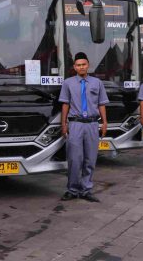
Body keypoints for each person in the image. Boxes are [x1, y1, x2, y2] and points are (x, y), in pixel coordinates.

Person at [59, 52, 109, 202]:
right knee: (74, 158)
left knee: (90, 158)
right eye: (78, 65)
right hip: (75, 124)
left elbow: (101, 104)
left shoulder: (97, 83)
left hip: (92, 125)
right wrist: (64, 123)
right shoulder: (68, 83)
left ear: (88, 65)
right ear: (74, 67)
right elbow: (65, 104)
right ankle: (72, 189)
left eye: (84, 64)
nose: (81, 67)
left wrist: (105, 122)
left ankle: (86, 189)